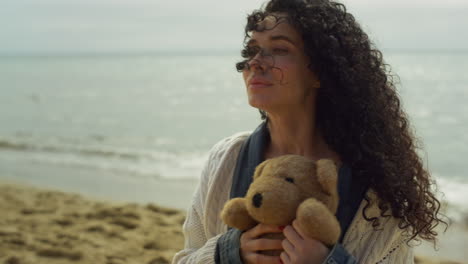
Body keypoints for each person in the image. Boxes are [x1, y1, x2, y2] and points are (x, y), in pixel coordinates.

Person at [173, 0, 446, 263]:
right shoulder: (227, 158)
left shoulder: (377, 184)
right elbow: (185, 259)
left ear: (320, 71)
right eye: (252, 50)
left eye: (279, 49)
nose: (256, 62)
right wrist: (231, 253)